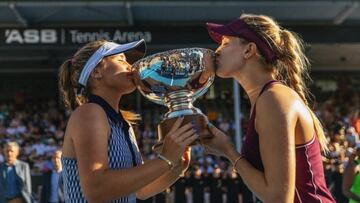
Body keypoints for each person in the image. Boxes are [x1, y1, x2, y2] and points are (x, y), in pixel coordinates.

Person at [203, 14, 336, 202]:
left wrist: (229, 152)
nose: (217, 51)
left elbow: (278, 198)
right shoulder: (269, 98)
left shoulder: (273, 99)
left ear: (249, 50)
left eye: (225, 43)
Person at [58, 39, 198, 202]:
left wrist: (175, 167)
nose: (130, 66)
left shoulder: (121, 121)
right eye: (121, 59)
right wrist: (164, 160)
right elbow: (97, 189)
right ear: (96, 72)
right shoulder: (90, 113)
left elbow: (139, 190)